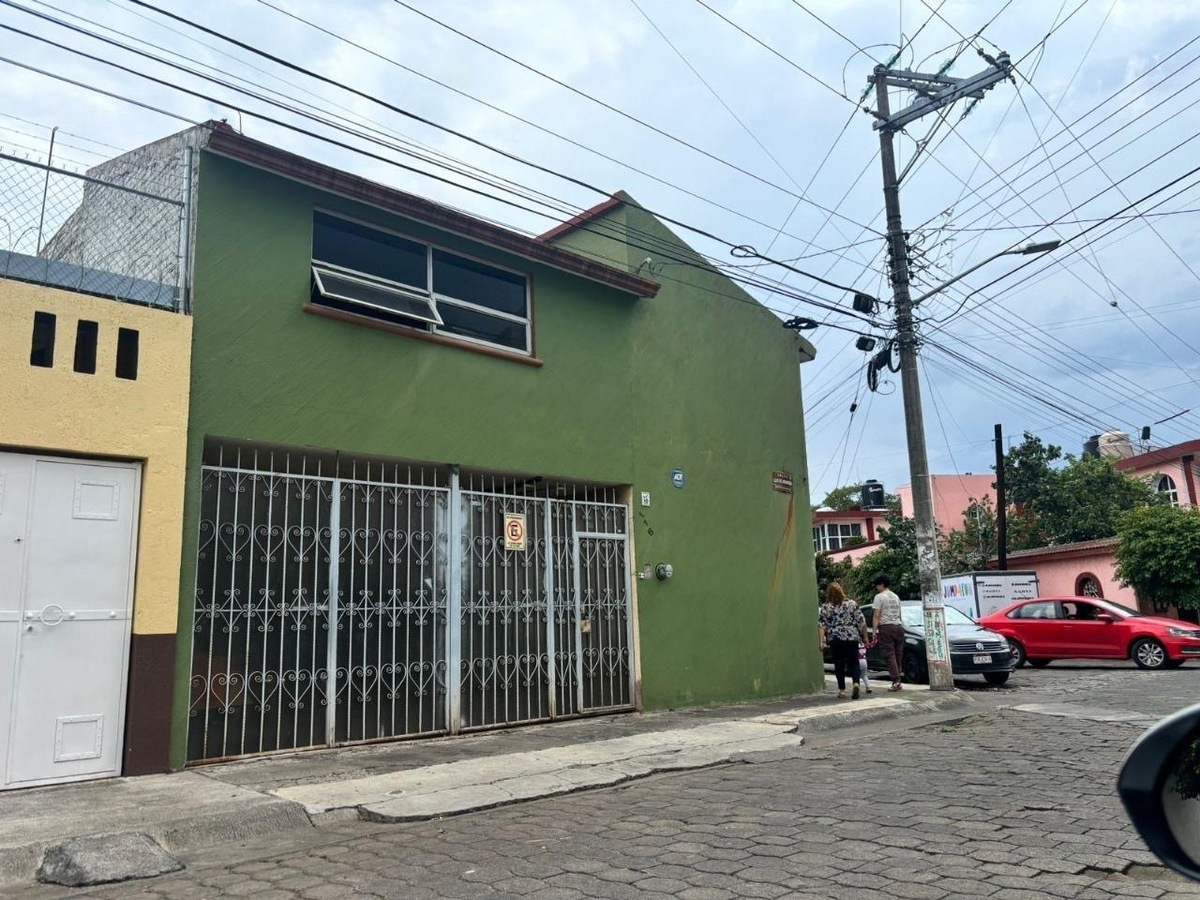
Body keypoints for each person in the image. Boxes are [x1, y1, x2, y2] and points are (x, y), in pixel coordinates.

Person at [819, 582, 868, 700]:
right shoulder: (852, 604)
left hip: (835, 638)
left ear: (829, 594)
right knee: (854, 662)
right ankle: (856, 683)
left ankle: (842, 690)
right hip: (851, 637)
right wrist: (865, 637)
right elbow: (862, 622)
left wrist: (821, 642)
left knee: (839, 664)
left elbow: (822, 625)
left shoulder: (826, 607)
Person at [871, 574, 906, 692]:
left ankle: (896, 681)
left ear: (881, 584)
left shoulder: (879, 597)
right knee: (898, 655)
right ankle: (898, 679)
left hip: (886, 627)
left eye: (877, 585)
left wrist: (874, 631)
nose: (876, 588)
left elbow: (877, 615)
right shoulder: (896, 596)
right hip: (898, 626)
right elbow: (899, 613)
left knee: (889, 655)